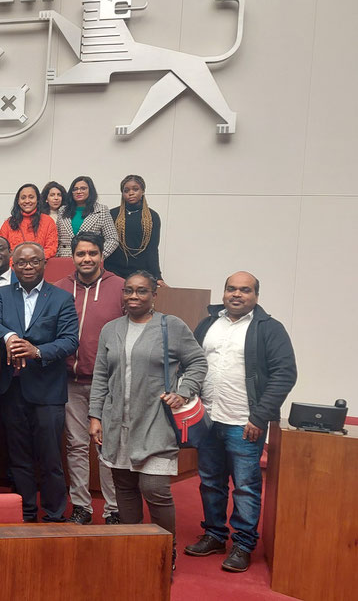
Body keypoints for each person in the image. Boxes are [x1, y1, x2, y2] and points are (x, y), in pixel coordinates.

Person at [89, 271, 207, 569]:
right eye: (128, 291)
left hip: (156, 423)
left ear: (154, 294)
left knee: (155, 489)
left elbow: (197, 362)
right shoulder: (111, 329)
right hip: (117, 424)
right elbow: (101, 376)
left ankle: (165, 553)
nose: (133, 296)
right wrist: (95, 415)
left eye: (141, 291)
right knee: (125, 490)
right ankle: (136, 549)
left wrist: (183, 391)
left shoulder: (171, 326)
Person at [185, 272, 297, 573]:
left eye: (245, 290)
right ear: (224, 293)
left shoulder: (269, 329)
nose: (237, 294)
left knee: (245, 487)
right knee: (210, 482)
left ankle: (243, 545)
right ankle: (214, 535)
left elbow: (285, 374)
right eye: (231, 289)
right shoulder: (208, 324)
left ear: (256, 296)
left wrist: (260, 416)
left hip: (244, 423)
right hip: (207, 419)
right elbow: (192, 363)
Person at [0, 242, 79, 522]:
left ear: (44, 264)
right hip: (12, 389)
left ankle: (54, 512)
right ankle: (25, 511)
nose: (27, 267)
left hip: (47, 390)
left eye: (34, 262)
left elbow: (70, 340)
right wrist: (10, 337)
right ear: (13, 264)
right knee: (19, 457)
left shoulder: (61, 298)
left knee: (50, 458)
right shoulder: (1, 294)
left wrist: (37, 351)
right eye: (22, 262)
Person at [54, 232, 124, 525]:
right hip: (70, 381)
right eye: (81, 253)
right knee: (76, 446)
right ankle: (82, 506)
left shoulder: (120, 288)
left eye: (92, 253)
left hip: (107, 385)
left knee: (108, 448)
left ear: (101, 256)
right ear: (73, 256)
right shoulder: (58, 289)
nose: (86, 259)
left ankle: (113, 509)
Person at [105, 175, 165, 285]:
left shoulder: (152, 217)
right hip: (113, 271)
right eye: (126, 190)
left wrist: (158, 276)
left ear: (143, 191)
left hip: (140, 273)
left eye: (135, 189)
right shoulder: (112, 214)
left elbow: (152, 249)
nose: (130, 193)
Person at [56, 176, 119, 258]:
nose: (78, 191)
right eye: (75, 189)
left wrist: (98, 256)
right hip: (63, 258)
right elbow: (56, 238)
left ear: (90, 190)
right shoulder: (63, 210)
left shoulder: (101, 210)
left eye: (83, 188)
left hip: (88, 259)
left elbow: (113, 239)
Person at [0, 184, 58, 259]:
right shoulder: (8, 223)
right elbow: (1, 249)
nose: (27, 201)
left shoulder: (48, 221)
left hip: (39, 266)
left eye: (31, 197)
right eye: (23, 198)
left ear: (37, 200)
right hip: (14, 266)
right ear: (18, 201)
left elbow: (51, 249)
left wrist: (31, 260)